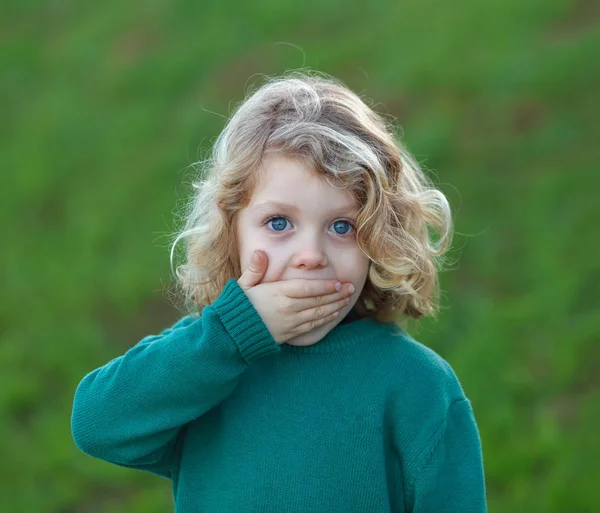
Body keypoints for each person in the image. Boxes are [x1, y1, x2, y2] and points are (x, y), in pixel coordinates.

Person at [71, 71, 487, 512]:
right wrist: (232, 335)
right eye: (279, 223)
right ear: (232, 232)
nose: (311, 255)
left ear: (380, 240)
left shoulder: (415, 383)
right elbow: (98, 425)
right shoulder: (205, 359)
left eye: (342, 226)